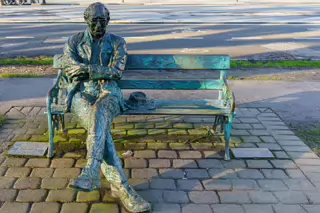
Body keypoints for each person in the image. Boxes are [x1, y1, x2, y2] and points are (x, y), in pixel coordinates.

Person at [62, 2, 151, 213]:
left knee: (98, 114)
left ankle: (92, 170)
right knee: (99, 127)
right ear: (86, 20)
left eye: (103, 21)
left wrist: (87, 69)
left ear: (108, 20)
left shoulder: (118, 42)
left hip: (109, 93)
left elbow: (116, 73)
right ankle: (122, 188)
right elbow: (71, 68)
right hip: (80, 95)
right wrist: (97, 70)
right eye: (94, 21)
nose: (98, 25)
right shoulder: (73, 42)